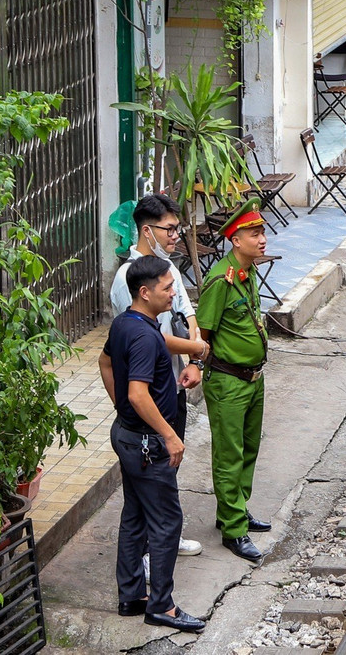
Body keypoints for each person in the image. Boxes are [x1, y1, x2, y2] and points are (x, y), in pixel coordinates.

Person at [98, 255, 206, 633]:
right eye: (167, 287)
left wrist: (121, 409)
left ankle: (131, 595)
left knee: (136, 515)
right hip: (146, 444)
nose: (173, 293)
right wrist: (169, 434)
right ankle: (162, 605)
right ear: (144, 292)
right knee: (166, 520)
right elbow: (139, 394)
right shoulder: (144, 335)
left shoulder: (125, 323)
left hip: (127, 435)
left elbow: (105, 363)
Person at [108, 194, 209, 561]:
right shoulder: (129, 279)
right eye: (170, 229)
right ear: (147, 231)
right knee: (147, 478)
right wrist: (195, 349)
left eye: (177, 228)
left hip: (172, 385)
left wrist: (193, 359)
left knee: (168, 466)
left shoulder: (165, 269)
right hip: (146, 391)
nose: (176, 236)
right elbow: (142, 335)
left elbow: (186, 313)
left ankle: (166, 536)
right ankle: (151, 553)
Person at [197, 198, 271, 563]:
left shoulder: (248, 272)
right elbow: (203, 333)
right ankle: (233, 529)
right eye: (254, 233)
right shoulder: (219, 281)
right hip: (228, 381)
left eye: (262, 232)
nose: (262, 239)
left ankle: (236, 510)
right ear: (235, 239)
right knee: (229, 455)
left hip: (253, 379)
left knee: (249, 447)